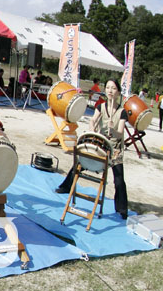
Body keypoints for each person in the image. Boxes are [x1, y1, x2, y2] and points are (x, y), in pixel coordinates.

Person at [55, 79, 129, 219]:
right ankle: (66, 186)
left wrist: (113, 129)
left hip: (115, 149)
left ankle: (122, 208)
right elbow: (93, 120)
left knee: (119, 179)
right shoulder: (101, 107)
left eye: (113, 88)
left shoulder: (122, 112)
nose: (110, 91)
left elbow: (120, 133)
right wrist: (92, 126)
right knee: (79, 163)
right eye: (108, 87)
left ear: (118, 92)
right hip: (102, 143)